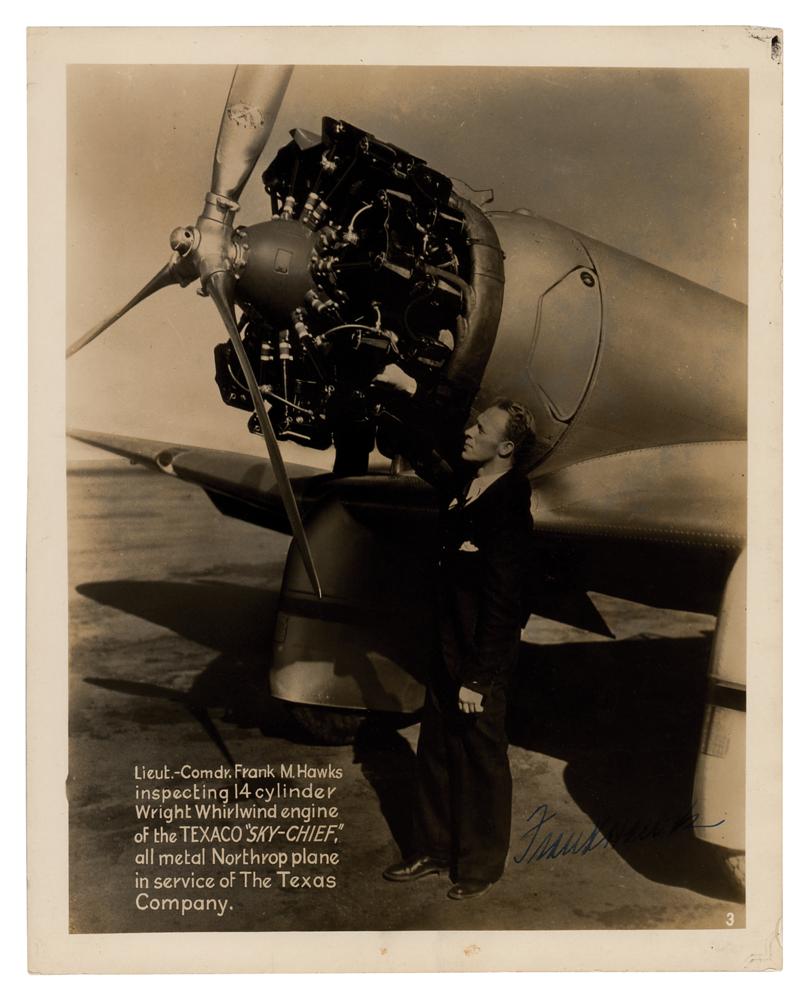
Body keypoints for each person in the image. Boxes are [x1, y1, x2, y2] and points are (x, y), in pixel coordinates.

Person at [375, 365, 536, 900]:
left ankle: (480, 866)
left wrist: (479, 678)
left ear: (506, 448)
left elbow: (505, 602)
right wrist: (408, 391)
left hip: (478, 658)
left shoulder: (508, 502)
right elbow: (435, 440)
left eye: (481, 430)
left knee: (481, 758)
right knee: (437, 749)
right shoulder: (467, 485)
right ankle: (433, 848)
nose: (469, 432)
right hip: (446, 648)